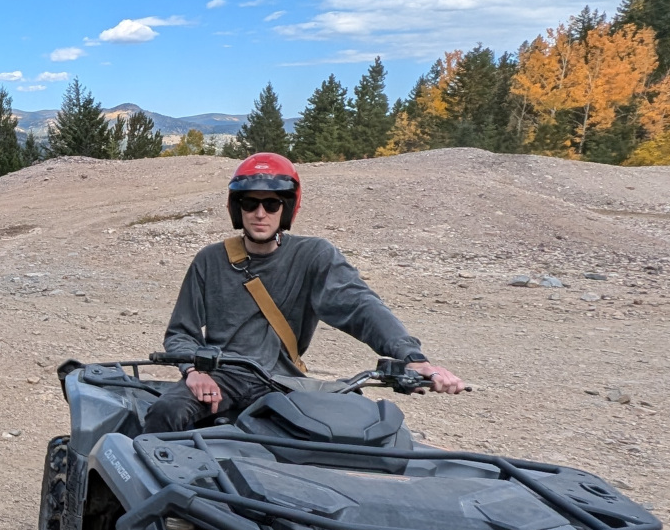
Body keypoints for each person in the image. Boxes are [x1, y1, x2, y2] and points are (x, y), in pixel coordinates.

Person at [140, 152, 465, 434]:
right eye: (250, 203)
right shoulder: (210, 260)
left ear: (287, 208)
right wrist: (195, 372)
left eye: (271, 203)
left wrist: (413, 359)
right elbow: (181, 333)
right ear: (237, 208)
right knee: (166, 414)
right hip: (223, 376)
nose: (260, 213)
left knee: (352, 429)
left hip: (286, 382)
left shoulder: (314, 256)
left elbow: (360, 305)